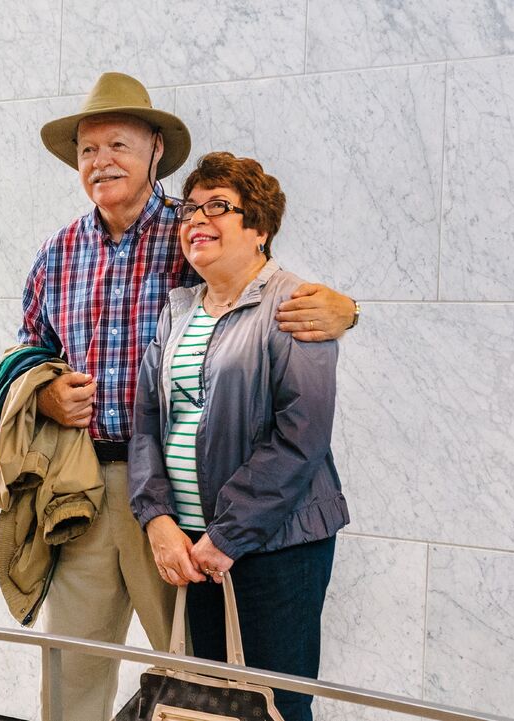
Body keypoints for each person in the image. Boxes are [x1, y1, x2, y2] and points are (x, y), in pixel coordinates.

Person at [19, 72, 357, 721]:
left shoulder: (193, 233)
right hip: (83, 483)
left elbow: (272, 295)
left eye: (117, 144)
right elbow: (25, 350)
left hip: (179, 500)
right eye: (88, 150)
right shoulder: (57, 253)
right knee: (72, 665)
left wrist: (349, 308)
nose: (101, 161)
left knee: (201, 671)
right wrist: (44, 395)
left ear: (154, 151)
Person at [128, 151, 350, 721]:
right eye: (189, 210)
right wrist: (157, 520)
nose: (196, 219)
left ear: (261, 228)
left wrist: (227, 537)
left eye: (218, 206)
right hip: (193, 545)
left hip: (274, 548)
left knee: (273, 706)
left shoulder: (294, 305)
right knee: (213, 707)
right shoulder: (178, 310)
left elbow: (300, 438)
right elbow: (148, 421)